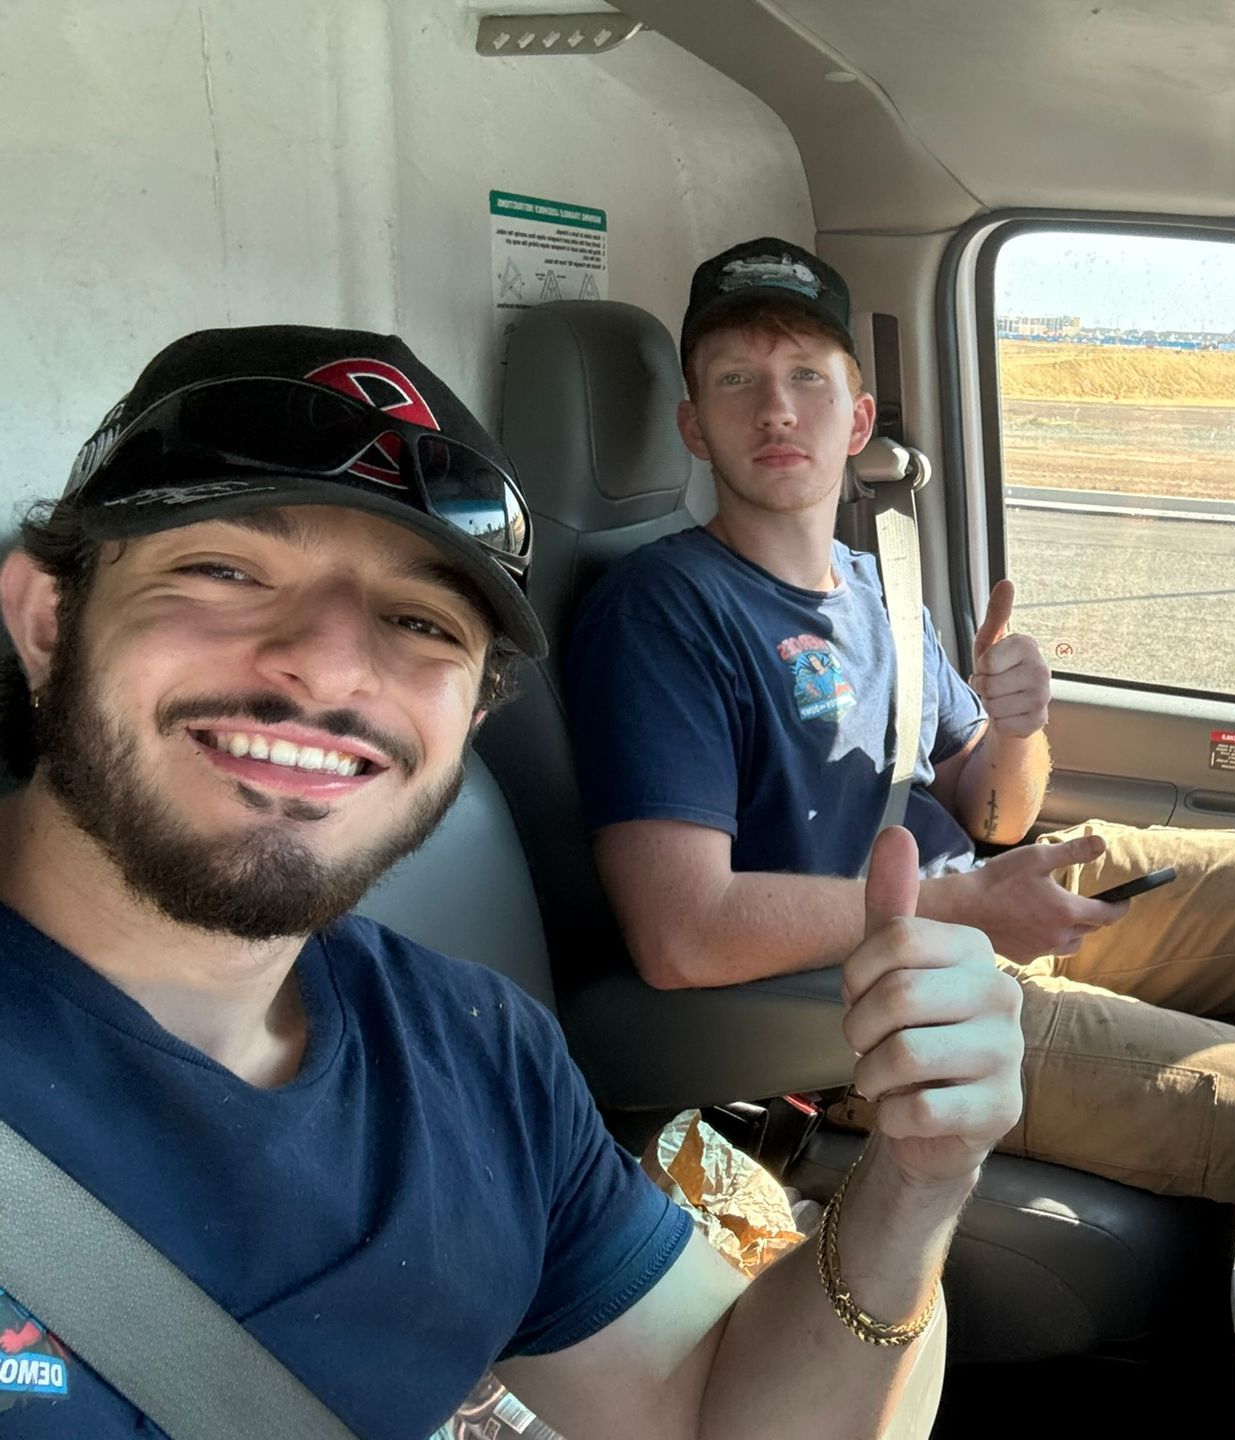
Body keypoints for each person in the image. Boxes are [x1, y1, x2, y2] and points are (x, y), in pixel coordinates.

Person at [0, 325, 1022, 1438]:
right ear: (48, 619)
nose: (334, 665)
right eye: (225, 569)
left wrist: (915, 1182)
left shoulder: (477, 1054)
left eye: (419, 622)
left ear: (475, 715)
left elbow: (715, 1416)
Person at [567, 238, 1235, 1215]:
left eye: (806, 377)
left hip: (970, 901)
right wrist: (967, 909)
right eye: (738, 379)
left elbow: (993, 811)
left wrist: (1017, 726)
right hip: (871, 999)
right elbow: (683, 936)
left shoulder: (883, 586)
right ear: (694, 427)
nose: (777, 408)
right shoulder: (661, 611)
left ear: (858, 416)